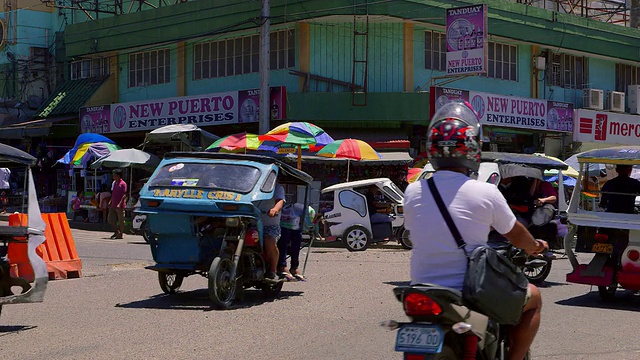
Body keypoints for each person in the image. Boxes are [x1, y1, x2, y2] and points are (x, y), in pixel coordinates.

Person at [404, 101, 547, 360]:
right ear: (472, 149)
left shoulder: (413, 191)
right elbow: (514, 233)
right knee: (534, 298)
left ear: (432, 149)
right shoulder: (485, 192)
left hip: (421, 288)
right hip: (469, 291)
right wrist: (535, 247)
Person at [278, 203, 316, 281]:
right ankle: (282, 266)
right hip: (275, 225)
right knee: (284, 235)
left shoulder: (305, 210)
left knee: (296, 235)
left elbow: (307, 224)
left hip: (285, 225)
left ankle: (294, 267)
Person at [258, 180, 285, 281]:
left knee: (269, 241)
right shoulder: (250, 185)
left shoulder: (277, 187)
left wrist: (275, 209)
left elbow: (280, 200)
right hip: (251, 223)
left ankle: (273, 271)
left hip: (270, 225)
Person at [108, 169, 127, 239]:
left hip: (120, 205)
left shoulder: (123, 184)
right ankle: (116, 231)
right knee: (110, 219)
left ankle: (121, 233)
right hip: (113, 204)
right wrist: (110, 201)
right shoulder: (114, 183)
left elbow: (124, 194)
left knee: (121, 220)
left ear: (118, 176)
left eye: (114, 175)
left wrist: (120, 203)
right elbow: (113, 193)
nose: (113, 176)